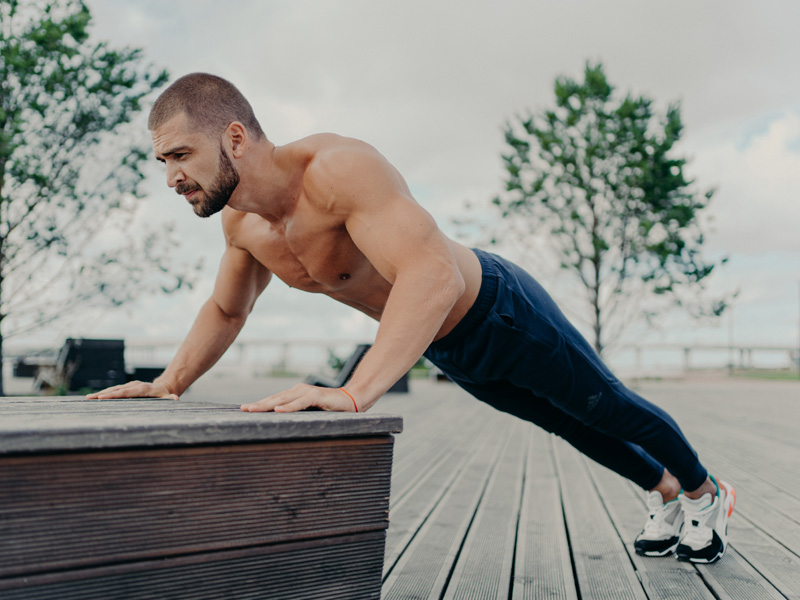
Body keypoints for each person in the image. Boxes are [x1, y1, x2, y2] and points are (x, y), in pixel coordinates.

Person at [88, 73, 735, 564]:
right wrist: (171, 382)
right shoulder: (242, 226)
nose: (170, 176)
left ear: (234, 136)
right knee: (563, 422)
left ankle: (707, 494)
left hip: (499, 310)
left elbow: (432, 274)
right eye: (162, 162)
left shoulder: (338, 172)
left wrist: (353, 393)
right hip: (446, 348)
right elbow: (227, 308)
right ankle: (665, 492)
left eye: (180, 155)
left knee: (606, 407)